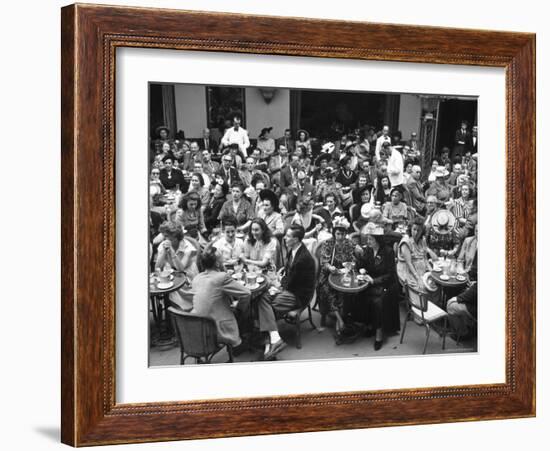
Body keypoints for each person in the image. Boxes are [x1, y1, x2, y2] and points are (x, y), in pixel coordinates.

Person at [256, 225, 316, 360]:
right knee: (261, 300)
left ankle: (268, 342)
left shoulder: (303, 259)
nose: (285, 238)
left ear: (296, 239)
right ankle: (274, 339)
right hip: (291, 289)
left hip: (298, 295)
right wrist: (281, 275)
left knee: (262, 304)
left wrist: (277, 285)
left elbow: (292, 284)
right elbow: (290, 273)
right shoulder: (293, 250)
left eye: (288, 236)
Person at [189, 244, 251, 348]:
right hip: (217, 327)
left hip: (199, 325)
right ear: (217, 263)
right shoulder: (221, 277)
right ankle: (240, 342)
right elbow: (246, 293)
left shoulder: (197, 278)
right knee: (244, 308)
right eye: (221, 258)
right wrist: (239, 308)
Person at [354, 223, 399, 350]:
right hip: (370, 282)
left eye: (370, 239)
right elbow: (361, 265)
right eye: (367, 239)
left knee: (378, 302)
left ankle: (379, 334)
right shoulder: (368, 250)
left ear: (378, 240)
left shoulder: (388, 252)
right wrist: (358, 256)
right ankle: (369, 325)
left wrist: (374, 281)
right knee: (360, 295)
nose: (367, 241)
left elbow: (390, 274)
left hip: (386, 284)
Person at [317, 217, 356, 334]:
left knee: (346, 289)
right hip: (328, 274)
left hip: (343, 274)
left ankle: (341, 319)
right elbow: (324, 261)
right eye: (338, 234)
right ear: (334, 233)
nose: (340, 237)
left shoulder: (348, 243)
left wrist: (352, 263)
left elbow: (353, 257)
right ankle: (340, 321)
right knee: (328, 290)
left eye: (343, 234)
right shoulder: (328, 243)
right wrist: (330, 267)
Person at [155, 221, 200, 310]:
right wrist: (163, 252)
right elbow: (157, 267)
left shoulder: (188, 246)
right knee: (165, 284)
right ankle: (171, 312)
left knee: (177, 292)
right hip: (171, 275)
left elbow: (181, 268)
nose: (165, 239)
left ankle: (181, 311)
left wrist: (172, 252)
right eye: (164, 236)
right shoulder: (163, 244)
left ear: (176, 237)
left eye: (168, 237)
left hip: (187, 276)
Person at [397, 217, 438, 291]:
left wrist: (431, 272)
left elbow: (425, 258)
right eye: (414, 229)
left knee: (435, 285)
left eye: (418, 230)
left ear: (422, 231)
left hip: (421, 270)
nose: (416, 232)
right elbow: (409, 263)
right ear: (410, 229)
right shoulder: (406, 242)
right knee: (422, 289)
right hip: (409, 271)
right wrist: (418, 278)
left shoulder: (423, 240)